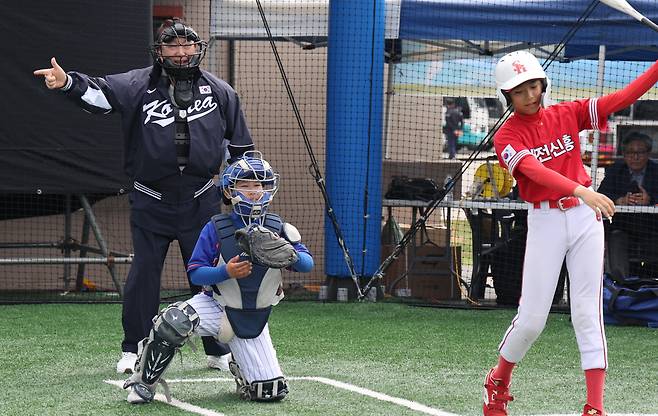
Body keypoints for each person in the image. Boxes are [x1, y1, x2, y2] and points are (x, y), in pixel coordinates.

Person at [33, 18, 254, 374]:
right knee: (145, 275)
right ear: (160, 50)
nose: (181, 53)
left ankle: (218, 349)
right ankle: (133, 348)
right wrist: (67, 83)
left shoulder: (221, 92)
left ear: (198, 49)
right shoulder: (137, 84)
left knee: (211, 274)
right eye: (173, 46)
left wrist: (242, 191)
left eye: (188, 45)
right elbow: (100, 94)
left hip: (201, 199)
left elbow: (240, 148)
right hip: (151, 199)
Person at [486, 50, 658, 416]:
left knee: (587, 312)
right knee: (532, 318)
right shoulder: (506, 136)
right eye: (519, 90)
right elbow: (534, 170)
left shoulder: (567, 112)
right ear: (508, 97)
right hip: (546, 219)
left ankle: (594, 407)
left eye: (534, 85)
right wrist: (582, 190)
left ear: (543, 83)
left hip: (584, 218)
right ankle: (498, 380)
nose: (530, 94)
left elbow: (621, 99)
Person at [123, 151, 314, 404]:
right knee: (174, 321)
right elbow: (196, 271)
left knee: (269, 392)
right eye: (244, 185)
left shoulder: (280, 228)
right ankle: (143, 383)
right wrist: (226, 272)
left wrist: (288, 253)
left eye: (258, 185)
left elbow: (307, 265)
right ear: (228, 191)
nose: (253, 191)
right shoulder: (217, 227)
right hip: (216, 305)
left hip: (253, 315)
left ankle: (241, 365)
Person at [598, 132, 658, 280]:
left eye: (640, 152)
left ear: (648, 153)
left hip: (652, 228)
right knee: (616, 239)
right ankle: (620, 286)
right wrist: (620, 201)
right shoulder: (614, 170)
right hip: (623, 227)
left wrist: (650, 200)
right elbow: (601, 194)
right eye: (630, 152)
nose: (635, 157)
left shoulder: (656, 170)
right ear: (624, 154)